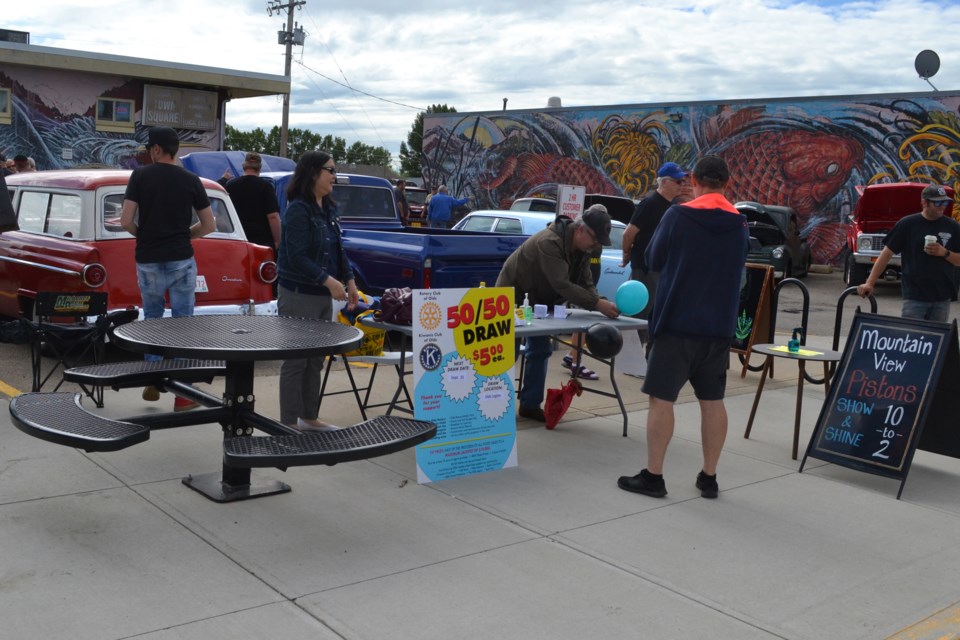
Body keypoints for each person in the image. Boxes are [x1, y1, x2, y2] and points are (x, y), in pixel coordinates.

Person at [618, 155, 748, 499]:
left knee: (662, 400)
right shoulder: (740, 223)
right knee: (712, 401)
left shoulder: (678, 214)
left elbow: (656, 258)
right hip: (718, 327)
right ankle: (709, 477)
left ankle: (654, 476)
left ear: (694, 179)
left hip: (677, 322)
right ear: (727, 183)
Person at [120, 126, 217, 411]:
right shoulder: (192, 180)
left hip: (148, 258)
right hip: (181, 259)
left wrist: (145, 235)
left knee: (152, 318)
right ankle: (183, 394)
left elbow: (126, 220)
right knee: (182, 323)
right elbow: (210, 224)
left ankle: (154, 377)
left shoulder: (139, 176)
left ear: (157, 149)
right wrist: (186, 236)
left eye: (151, 149)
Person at [496, 205, 620, 422]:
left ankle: (530, 405)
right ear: (581, 230)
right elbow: (561, 284)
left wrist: (598, 301)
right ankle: (494, 407)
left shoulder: (583, 249)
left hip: (542, 302)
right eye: (595, 239)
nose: (597, 245)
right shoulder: (549, 242)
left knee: (540, 351)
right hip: (512, 298)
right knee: (506, 355)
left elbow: (586, 282)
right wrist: (597, 304)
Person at [277, 150, 359, 432]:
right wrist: (329, 281)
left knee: (315, 360)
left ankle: (309, 417)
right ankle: (288, 424)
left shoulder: (328, 208)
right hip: (298, 295)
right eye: (331, 170)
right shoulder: (298, 209)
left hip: (322, 295)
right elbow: (297, 256)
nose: (335, 176)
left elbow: (338, 249)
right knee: (296, 360)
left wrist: (349, 281)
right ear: (313, 172)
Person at [857, 184, 960, 322]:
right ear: (924, 202)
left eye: (945, 202)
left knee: (936, 339)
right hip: (914, 296)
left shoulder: (952, 226)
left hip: (942, 297)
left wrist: (944, 253)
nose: (942, 206)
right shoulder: (908, 224)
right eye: (938, 202)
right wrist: (870, 283)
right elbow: (886, 253)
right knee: (911, 337)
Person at [620, 162, 688, 320]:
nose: (682, 185)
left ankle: (647, 344)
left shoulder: (672, 205)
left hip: (661, 269)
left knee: (654, 315)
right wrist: (626, 253)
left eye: (683, 181)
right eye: (678, 181)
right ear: (664, 182)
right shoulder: (650, 203)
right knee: (640, 314)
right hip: (645, 269)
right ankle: (631, 344)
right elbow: (628, 234)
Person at [224, 152, 281, 253]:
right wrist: (277, 242)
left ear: (244, 166)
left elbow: (222, 215)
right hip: (261, 242)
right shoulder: (266, 187)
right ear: (259, 168)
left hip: (238, 239)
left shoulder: (230, 185)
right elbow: (273, 216)